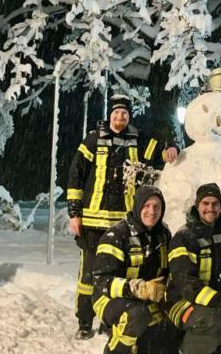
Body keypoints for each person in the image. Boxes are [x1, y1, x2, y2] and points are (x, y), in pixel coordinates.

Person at [67, 94, 178, 339]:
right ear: (110, 116)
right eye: (116, 113)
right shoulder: (93, 140)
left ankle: (111, 318)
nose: (120, 118)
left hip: (123, 226)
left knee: (119, 273)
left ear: (129, 117)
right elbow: (76, 175)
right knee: (89, 275)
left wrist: (170, 148)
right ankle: (84, 322)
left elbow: (160, 150)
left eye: (124, 114)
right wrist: (75, 213)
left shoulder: (136, 141)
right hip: (93, 223)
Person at [165, 182, 221, 354]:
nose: (210, 208)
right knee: (213, 321)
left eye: (215, 204)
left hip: (213, 303)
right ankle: (184, 349)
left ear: (220, 206)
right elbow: (187, 285)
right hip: (181, 302)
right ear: (197, 206)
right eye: (205, 203)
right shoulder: (184, 237)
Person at [91, 184, 177, 354]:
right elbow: (101, 280)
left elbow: (168, 270)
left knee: (167, 331)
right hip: (109, 298)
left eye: (156, 206)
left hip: (147, 300)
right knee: (137, 316)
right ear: (137, 206)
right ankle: (114, 350)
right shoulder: (116, 235)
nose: (152, 212)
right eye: (146, 206)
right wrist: (139, 288)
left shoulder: (164, 234)